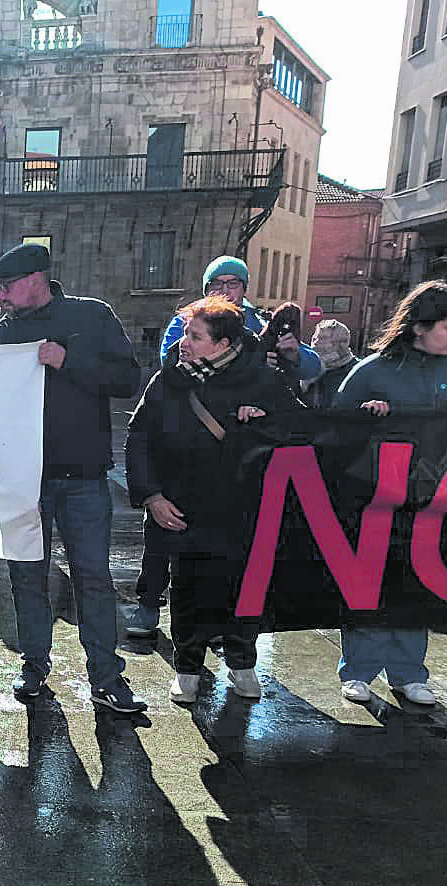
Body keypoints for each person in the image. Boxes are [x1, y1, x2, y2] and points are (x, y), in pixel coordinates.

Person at [0, 241, 146, 714]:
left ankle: (106, 677)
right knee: (27, 578)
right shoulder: (0, 334)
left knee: (93, 579)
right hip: (25, 482)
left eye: (7, 285)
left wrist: (66, 361)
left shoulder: (92, 316)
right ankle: (34, 666)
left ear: (36, 278)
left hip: (83, 478)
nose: (1, 295)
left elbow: (126, 381)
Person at [126, 295, 301, 704]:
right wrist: (151, 496)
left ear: (223, 344)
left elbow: (297, 428)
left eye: (196, 336)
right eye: (187, 333)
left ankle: (242, 661)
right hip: (179, 503)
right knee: (187, 585)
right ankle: (187, 667)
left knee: (243, 586)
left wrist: (264, 421)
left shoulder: (261, 379)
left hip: (243, 506)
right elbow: (140, 437)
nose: (184, 342)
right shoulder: (170, 376)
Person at [335, 281, 447, 707]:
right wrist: (366, 416)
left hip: (433, 492)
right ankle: (359, 670)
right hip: (375, 493)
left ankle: (408, 673)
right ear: (419, 327)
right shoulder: (373, 370)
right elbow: (333, 424)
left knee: (415, 581)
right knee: (369, 578)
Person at [159, 256, 323, 384]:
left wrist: (294, 356)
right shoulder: (185, 321)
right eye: (216, 284)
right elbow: (169, 362)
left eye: (233, 283)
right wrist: (253, 363)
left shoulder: (260, 323)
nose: (224, 290)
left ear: (244, 289)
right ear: (206, 289)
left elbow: (313, 367)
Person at [305, 318, 358, 409]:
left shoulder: (357, 371)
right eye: (314, 338)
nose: (316, 343)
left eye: (323, 339)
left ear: (342, 344)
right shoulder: (305, 368)